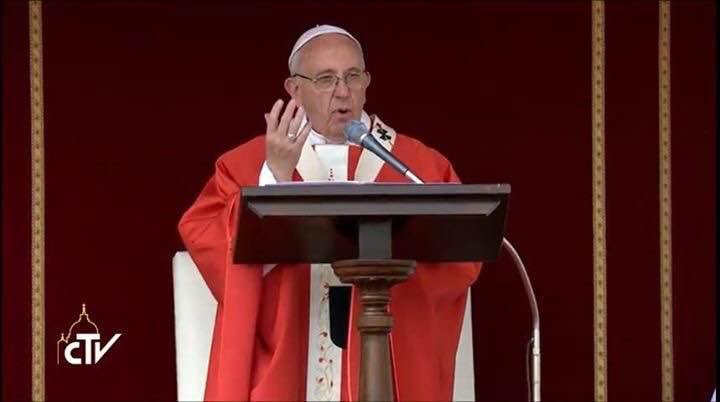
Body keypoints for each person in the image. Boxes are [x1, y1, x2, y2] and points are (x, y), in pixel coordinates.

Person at [178, 25, 481, 401]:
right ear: (294, 89)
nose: (343, 91)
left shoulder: (419, 167)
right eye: (325, 79)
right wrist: (274, 180)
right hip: (286, 370)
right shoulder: (246, 165)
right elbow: (208, 238)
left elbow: (461, 256)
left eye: (353, 76)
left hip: (389, 365)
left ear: (367, 82)